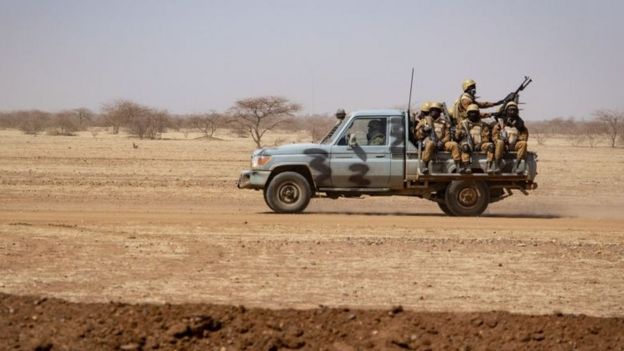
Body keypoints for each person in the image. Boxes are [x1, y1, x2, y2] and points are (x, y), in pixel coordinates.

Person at [415, 102, 461, 174]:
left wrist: (442, 142)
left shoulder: (444, 122)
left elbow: (448, 135)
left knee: (454, 144)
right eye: (432, 110)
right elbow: (417, 135)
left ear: (439, 112)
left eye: (436, 110)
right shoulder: (424, 121)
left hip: (442, 143)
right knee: (430, 143)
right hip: (430, 143)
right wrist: (423, 130)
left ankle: (458, 166)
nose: (434, 112)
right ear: (430, 111)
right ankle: (425, 166)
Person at [454, 104, 494, 174]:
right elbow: (457, 137)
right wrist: (461, 133)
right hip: (467, 144)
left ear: (478, 113)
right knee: (465, 147)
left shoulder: (483, 124)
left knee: (491, 146)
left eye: (475, 112)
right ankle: (467, 167)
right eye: (471, 112)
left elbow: (486, 138)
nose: (473, 114)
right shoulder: (462, 123)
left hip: (481, 145)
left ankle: (489, 166)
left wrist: (480, 144)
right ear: (468, 114)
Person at [492, 101, 529, 173]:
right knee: (499, 142)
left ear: (517, 111)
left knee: (524, 143)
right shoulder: (501, 122)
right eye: (510, 110)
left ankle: (516, 166)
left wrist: (518, 139)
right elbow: (494, 135)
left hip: (515, 145)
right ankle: (497, 166)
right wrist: (501, 139)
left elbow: (525, 135)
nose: (512, 112)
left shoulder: (520, 123)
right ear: (507, 111)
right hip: (503, 145)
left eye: (514, 110)